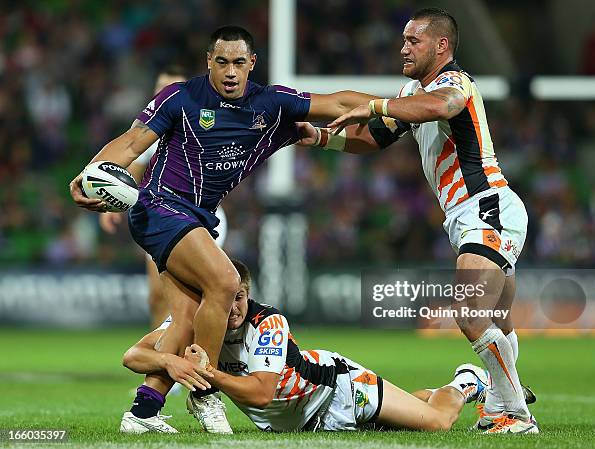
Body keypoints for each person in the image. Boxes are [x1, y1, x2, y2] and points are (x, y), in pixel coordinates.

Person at [69, 25, 377, 431]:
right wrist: (89, 174)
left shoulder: (272, 105)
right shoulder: (181, 97)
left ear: (251, 64)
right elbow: (131, 143)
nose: (230, 72)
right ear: (208, 63)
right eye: (221, 62)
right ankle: (204, 393)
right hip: (158, 206)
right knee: (225, 281)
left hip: (196, 217)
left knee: (185, 320)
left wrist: (394, 108)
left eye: (238, 62)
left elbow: (347, 115)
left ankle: (143, 412)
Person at [301, 8, 538, 434]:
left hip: (486, 205)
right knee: (498, 317)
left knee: (469, 311)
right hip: (473, 213)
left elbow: (440, 106)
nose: (403, 47)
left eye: (414, 40)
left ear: (441, 46)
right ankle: (505, 399)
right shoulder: (412, 91)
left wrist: (372, 103)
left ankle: (515, 412)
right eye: (404, 39)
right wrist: (318, 137)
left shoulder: (455, 84)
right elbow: (372, 138)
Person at [120, 259, 489, 433]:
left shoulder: (269, 323)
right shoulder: (200, 322)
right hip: (301, 422)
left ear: (249, 295)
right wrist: (171, 362)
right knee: (405, 412)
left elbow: (263, 393)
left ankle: (466, 381)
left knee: (438, 424)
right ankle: (421, 396)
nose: (232, 307)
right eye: (225, 299)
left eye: (240, 297)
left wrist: (209, 374)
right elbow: (132, 356)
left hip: (337, 391)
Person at [98, 66, 228, 329]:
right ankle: (162, 356)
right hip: (161, 216)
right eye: (160, 89)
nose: (165, 94)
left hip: (201, 218)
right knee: (158, 296)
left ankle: (201, 355)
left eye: (172, 88)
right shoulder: (152, 131)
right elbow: (133, 165)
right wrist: (113, 205)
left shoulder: (203, 125)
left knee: (198, 295)